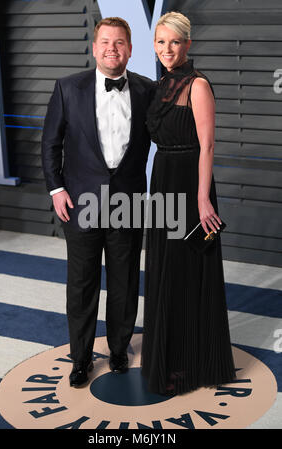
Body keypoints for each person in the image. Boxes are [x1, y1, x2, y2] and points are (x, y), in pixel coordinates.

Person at [42, 17, 155, 387]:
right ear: (94, 48)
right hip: (80, 203)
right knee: (82, 284)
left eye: (119, 42)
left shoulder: (147, 90)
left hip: (130, 202)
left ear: (130, 49)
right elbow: (50, 144)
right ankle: (81, 358)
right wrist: (57, 189)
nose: (112, 48)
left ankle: (120, 349)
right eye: (105, 42)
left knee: (124, 282)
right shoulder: (67, 88)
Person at [141, 12, 236, 396]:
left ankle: (188, 363)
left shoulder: (197, 85)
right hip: (162, 178)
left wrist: (201, 198)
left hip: (190, 186)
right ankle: (168, 353)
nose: (167, 49)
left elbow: (208, 145)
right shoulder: (162, 84)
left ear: (188, 45)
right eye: (161, 42)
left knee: (185, 271)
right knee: (166, 267)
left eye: (175, 42)